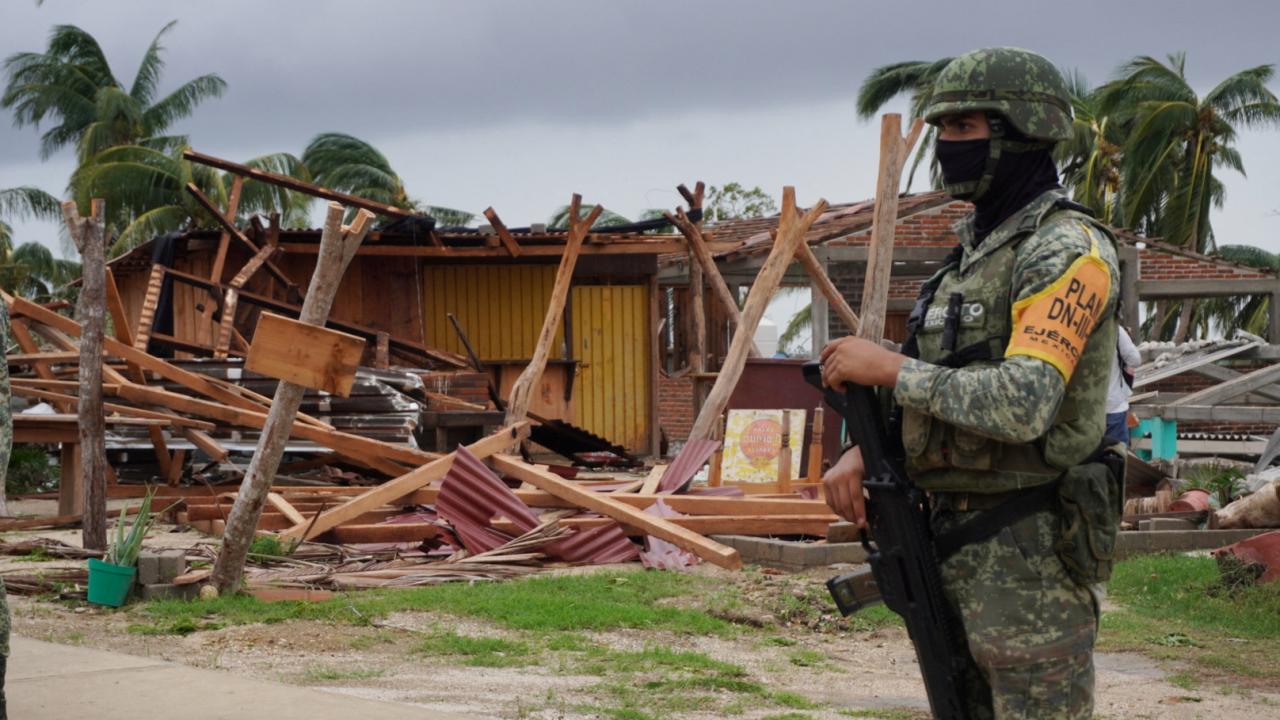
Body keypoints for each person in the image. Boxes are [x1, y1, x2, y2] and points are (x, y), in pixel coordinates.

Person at [821, 47, 1121, 719]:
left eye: (965, 128)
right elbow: (948, 379)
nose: (946, 145)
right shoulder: (971, 259)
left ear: (1021, 133)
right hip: (948, 547)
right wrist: (868, 447)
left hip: (1032, 556)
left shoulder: (1067, 250)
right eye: (943, 130)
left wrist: (891, 370)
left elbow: (1025, 403)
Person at [1106, 325, 1140, 446]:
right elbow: (1135, 359)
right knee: (1115, 457)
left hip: (1083, 413)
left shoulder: (1073, 324)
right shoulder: (1115, 330)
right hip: (1113, 407)